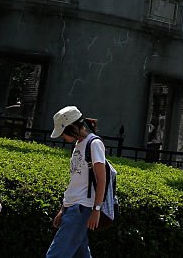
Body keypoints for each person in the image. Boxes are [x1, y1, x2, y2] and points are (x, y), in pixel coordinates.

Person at [46, 106, 107, 258]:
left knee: (56, 254)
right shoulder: (78, 145)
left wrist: (97, 209)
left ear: (72, 128)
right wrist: (63, 208)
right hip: (73, 207)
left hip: (81, 207)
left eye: (63, 133)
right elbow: (76, 180)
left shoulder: (94, 144)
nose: (63, 138)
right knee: (81, 254)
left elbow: (101, 179)